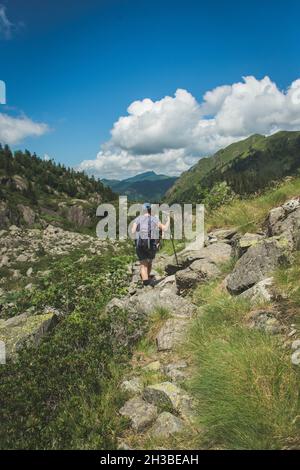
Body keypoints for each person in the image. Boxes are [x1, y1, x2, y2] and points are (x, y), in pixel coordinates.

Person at [132, 203, 170, 286]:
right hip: (151, 245)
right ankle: (148, 279)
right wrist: (168, 220)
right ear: (150, 210)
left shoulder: (137, 219)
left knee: (143, 265)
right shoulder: (154, 219)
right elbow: (165, 228)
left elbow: (133, 231)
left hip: (139, 244)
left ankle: (145, 283)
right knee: (149, 262)